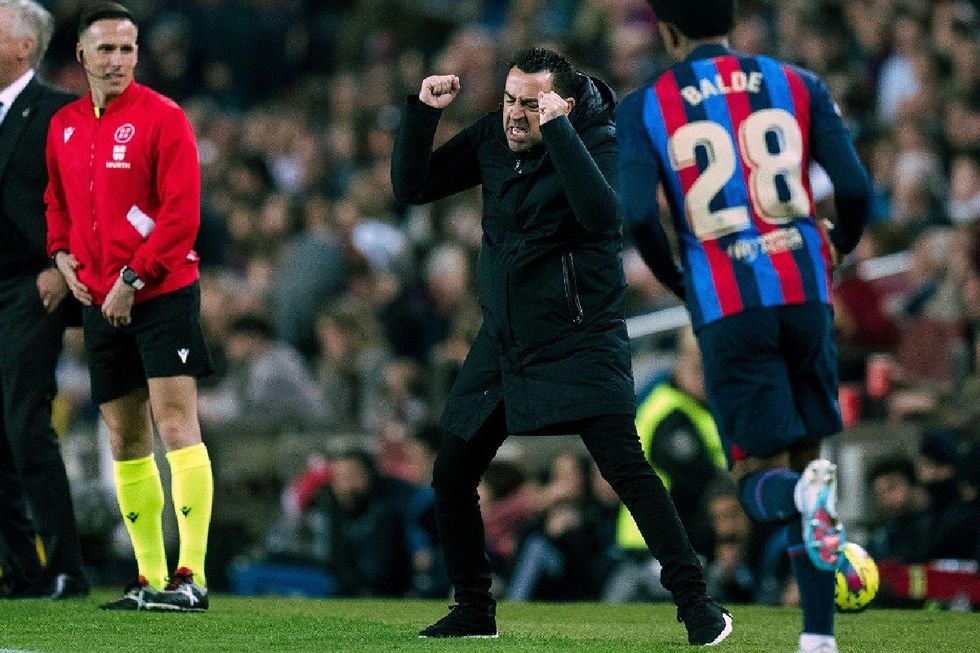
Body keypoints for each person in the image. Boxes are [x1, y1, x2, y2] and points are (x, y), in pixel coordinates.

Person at [392, 46, 732, 645]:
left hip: (579, 339)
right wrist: (422, 112)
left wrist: (559, 133)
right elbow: (412, 185)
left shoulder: (599, 137)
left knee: (626, 469)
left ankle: (697, 606)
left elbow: (602, 215)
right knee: (452, 471)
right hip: (506, 341)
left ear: (561, 104)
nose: (514, 116)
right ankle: (474, 609)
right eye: (508, 100)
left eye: (530, 104)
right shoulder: (495, 138)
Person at [617, 3, 872, 652]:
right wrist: (839, 242)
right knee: (811, 459)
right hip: (806, 290)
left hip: (729, 304)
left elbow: (639, 217)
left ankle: (799, 506)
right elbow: (855, 185)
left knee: (762, 476)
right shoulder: (798, 83)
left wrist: (680, 279)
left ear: (668, 31)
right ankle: (818, 636)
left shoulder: (645, 105)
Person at [45, 2, 213, 611]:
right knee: (123, 435)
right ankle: (148, 577)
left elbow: (180, 217)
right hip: (97, 297)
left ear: (138, 55)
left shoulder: (164, 118)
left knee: (175, 422)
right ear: (83, 56)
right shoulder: (63, 124)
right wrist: (62, 255)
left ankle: (190, 575)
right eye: (106, 49)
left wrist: (132, 278)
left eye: (128, 48)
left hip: (161, 291)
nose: (117, 60)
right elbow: (56, 203)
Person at [0, 0, 88, 600]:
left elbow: (89, 195)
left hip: (33, 283)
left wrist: (67, 265)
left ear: (24, 46)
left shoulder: (60, 111)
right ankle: (19, 566)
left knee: (26, 422)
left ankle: (64, 566)